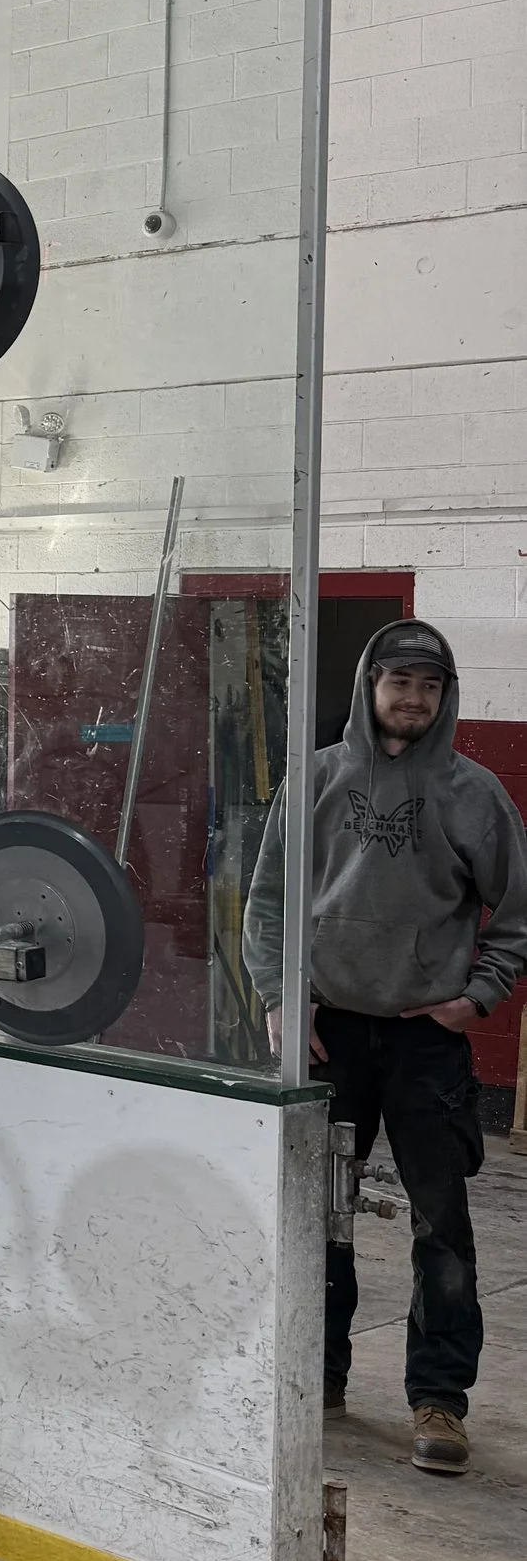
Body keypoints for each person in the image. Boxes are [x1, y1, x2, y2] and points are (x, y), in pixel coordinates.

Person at [244, 618, 527, 1477]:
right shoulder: (317, 778)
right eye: (399, 681)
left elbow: (514, 918)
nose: (413, 698)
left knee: (441, 1225)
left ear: (443, 698)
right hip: (331, 1035)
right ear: (371, 686)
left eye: (429, 686)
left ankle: (438, 1397)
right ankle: (317, 1374)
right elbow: (267, 903)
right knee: (315, 1219)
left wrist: (475, 999)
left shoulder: (475, 795)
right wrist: (278, 999)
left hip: (424, 1045)